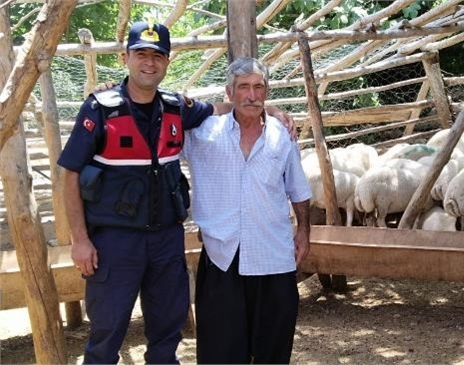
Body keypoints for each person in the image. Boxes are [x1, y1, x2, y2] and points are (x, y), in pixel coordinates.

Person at [58, 22, 293, 364]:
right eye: (141, 54)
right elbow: (70, 173)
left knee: (167, 332)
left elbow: (223, 107)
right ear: (126, 57)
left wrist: (266, 109)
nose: (149, 63)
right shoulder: (101, 108)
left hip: (166, 241)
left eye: (157, 55)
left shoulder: (175, 108)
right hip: (115, 241)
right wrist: (79, 239)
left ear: (167, 61)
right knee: (106, 335)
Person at [182, 57, 311, 364]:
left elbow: (298, 189)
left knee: (273, 349)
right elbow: (161, 113)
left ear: (267, 92)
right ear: (230, 93)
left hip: (273, 256)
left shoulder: (282, 135)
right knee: (221, 352)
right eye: (243, 87)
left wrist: (304, 230)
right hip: (222, 257)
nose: (252, 95)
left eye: (258, 87)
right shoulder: (203, 134)